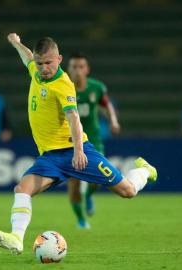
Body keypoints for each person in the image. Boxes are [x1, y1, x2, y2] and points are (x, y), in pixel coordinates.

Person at [0, 33, 157, 255]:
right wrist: (16, 43)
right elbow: (27, 57)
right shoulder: (35, 72)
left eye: (48, 62)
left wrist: (78, 151)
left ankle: (144, 170)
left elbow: (74, 117)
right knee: (22, 189)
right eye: (40, 63)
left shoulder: (63, 85)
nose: (43, 67)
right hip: (50, 158)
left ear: (59, 59)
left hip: (76, 151)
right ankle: (16, 238)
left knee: (127, 191)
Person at [67, 52, 121, 229]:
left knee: (97, 180)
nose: (78, 71)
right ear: (68, 69)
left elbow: (106, 105)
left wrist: (113, 121)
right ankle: (81, 220)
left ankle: (89, 196)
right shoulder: (62, 88)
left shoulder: (96, 88)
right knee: (74, 183)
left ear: (87, 69)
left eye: (81, 67)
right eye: (74, 67)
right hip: (69, 142)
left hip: (93, 141)